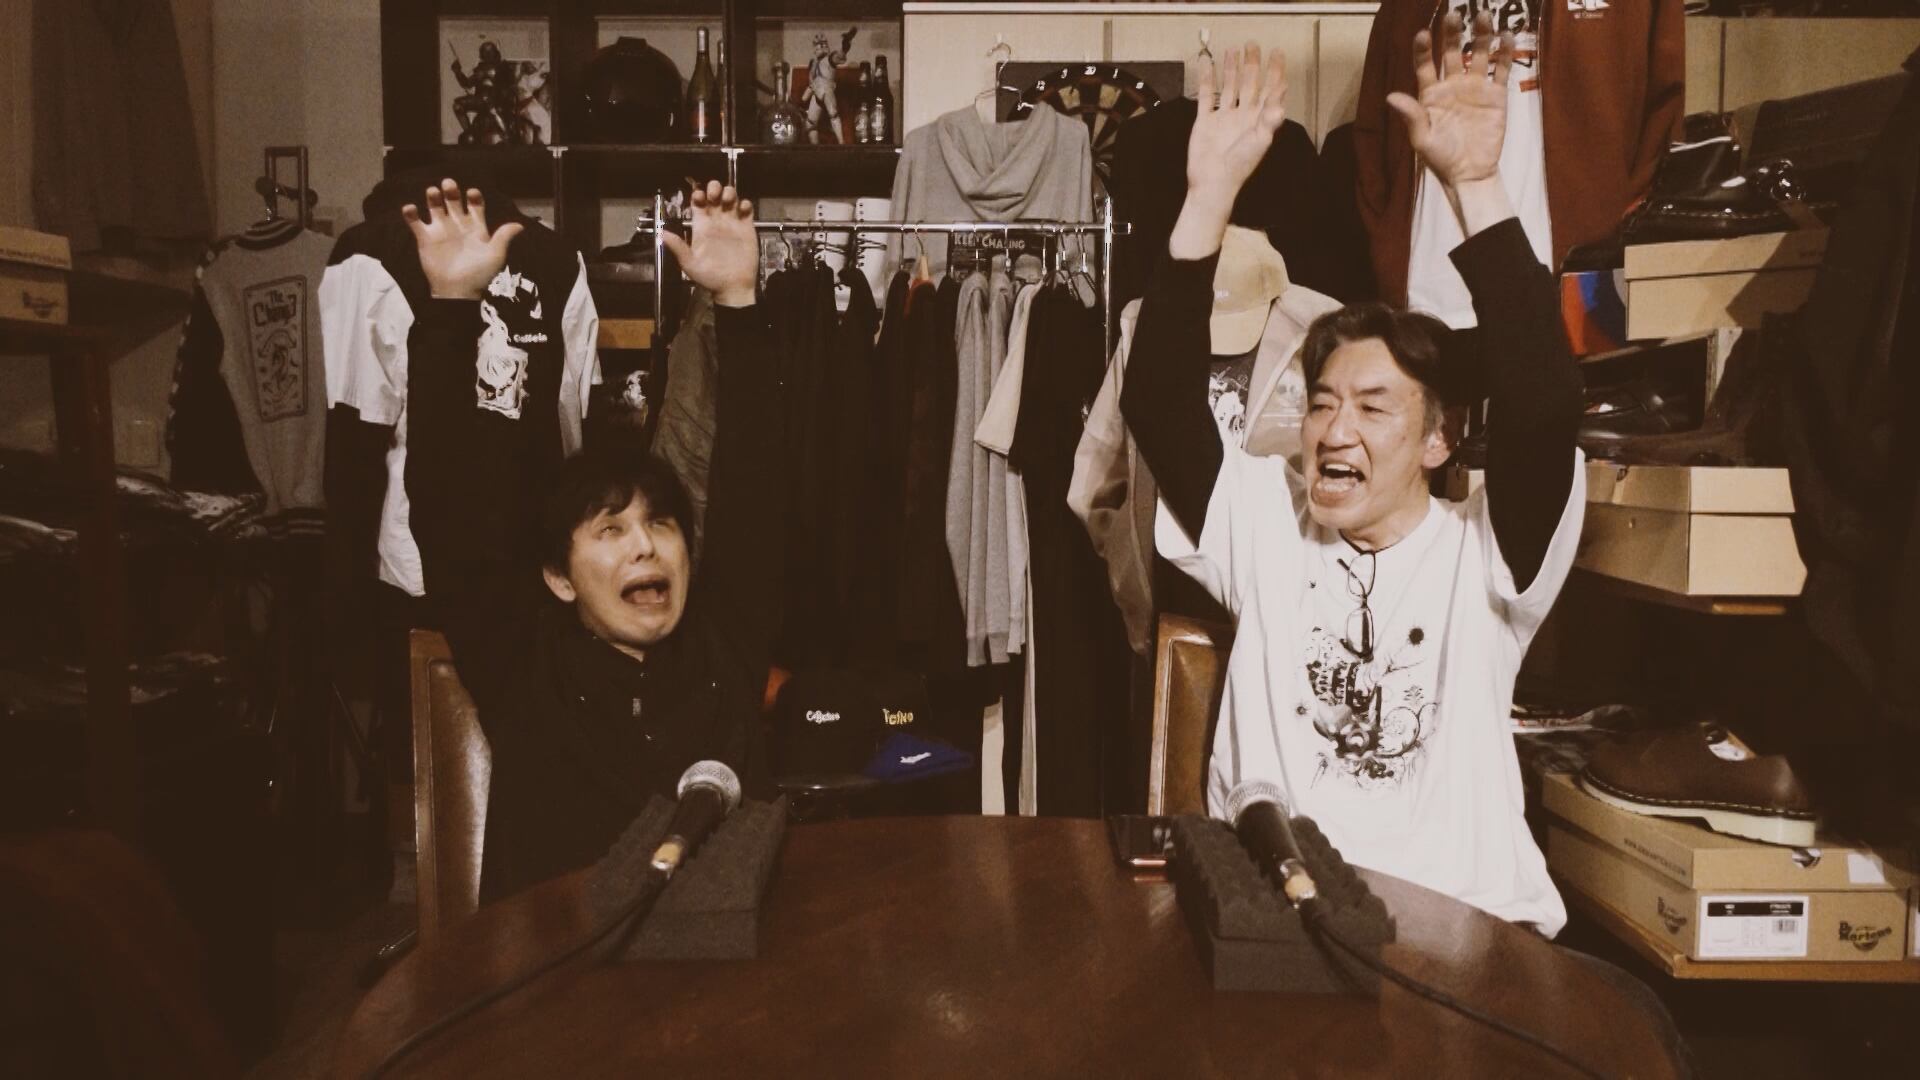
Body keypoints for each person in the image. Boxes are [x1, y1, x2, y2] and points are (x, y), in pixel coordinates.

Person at [1121, 18, 1584, 934]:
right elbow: (1157, 398)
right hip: (1284, 922)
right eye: (1324, 402)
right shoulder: (1264, 518)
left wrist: (1476, 187)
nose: (1335, 429)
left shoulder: (1489, 554)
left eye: (1374, 408)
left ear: (1438, 442)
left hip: (1468, 932)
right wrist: (1208, 196)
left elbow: (1543, 399)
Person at [401, 179, 780, 903]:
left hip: (722, 963)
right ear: (560, 576)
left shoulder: (723, 649)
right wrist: (451, 305)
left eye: (660, 523)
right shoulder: (524, 668)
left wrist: (738, 303)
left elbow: (758, 493)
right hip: (558, 966)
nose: (645, 546)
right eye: (611, 529)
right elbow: (448, 508)